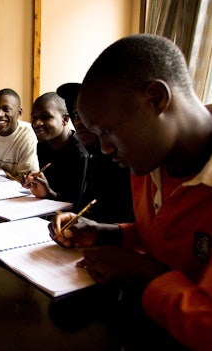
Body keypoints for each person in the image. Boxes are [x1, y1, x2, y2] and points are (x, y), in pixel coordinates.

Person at [49, 34, 212, 351]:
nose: (105, 149)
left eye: (108, 131)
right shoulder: (149, 161)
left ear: (155, 99)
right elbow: (174, 238)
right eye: (97, 136)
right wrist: (110, 233)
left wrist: (143, 272)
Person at [56, 82, 134, 223]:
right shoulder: (95, 156)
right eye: (75, 114)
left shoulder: (127, 160)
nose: (79, 121)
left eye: (87, 113)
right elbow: (86, 209)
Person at [24, 92, 88, 204]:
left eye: (45, 117)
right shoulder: (42, 146)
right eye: (34, 117)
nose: (37, 123)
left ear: (65, 120)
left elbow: (75, 204)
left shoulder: (81, 154)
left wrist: (49, 193)